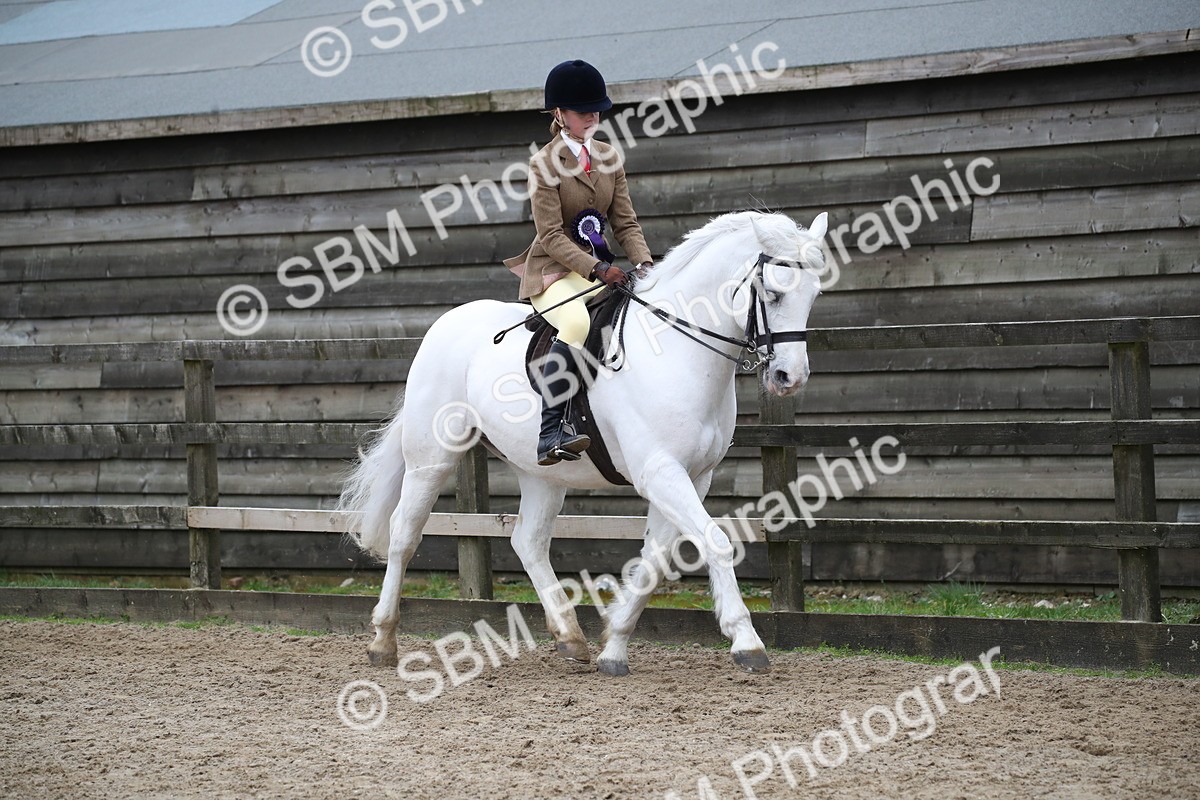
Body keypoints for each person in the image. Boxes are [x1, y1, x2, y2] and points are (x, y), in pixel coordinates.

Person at [504, 59, 654, 466]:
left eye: (596, 108)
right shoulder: (543, 165)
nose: (592, 115)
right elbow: (551, 236)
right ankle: (550, 430)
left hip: (597, 271)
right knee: (575, 323)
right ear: (559, 114)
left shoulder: (608, 157)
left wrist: (644, 264)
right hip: (554, 271)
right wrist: (599, 269)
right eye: (582, 110)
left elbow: (625, 221)